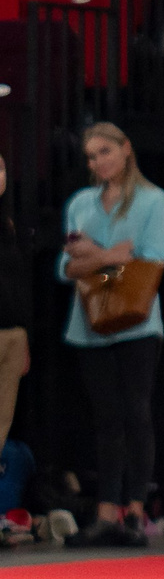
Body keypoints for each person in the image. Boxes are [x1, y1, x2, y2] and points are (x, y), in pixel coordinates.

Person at [60, 122, 164, 547]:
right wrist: (111, 255)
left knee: (136, 412)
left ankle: (135, 510)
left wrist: (94, 256)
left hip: (138, 322)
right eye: (91, 156)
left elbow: (151, 261)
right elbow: (66, 267)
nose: (97, 162)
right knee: (106, 417)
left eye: (104, 152)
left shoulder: (153, 200)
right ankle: (107, 511)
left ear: (126, 149)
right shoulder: (81, 203)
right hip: (88, 324)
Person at [0, 155, 30, 456]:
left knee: (2, 421)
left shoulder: (9, 224)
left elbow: (19, 284)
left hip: (12, 333)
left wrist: (24, 339)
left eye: (1, 169)